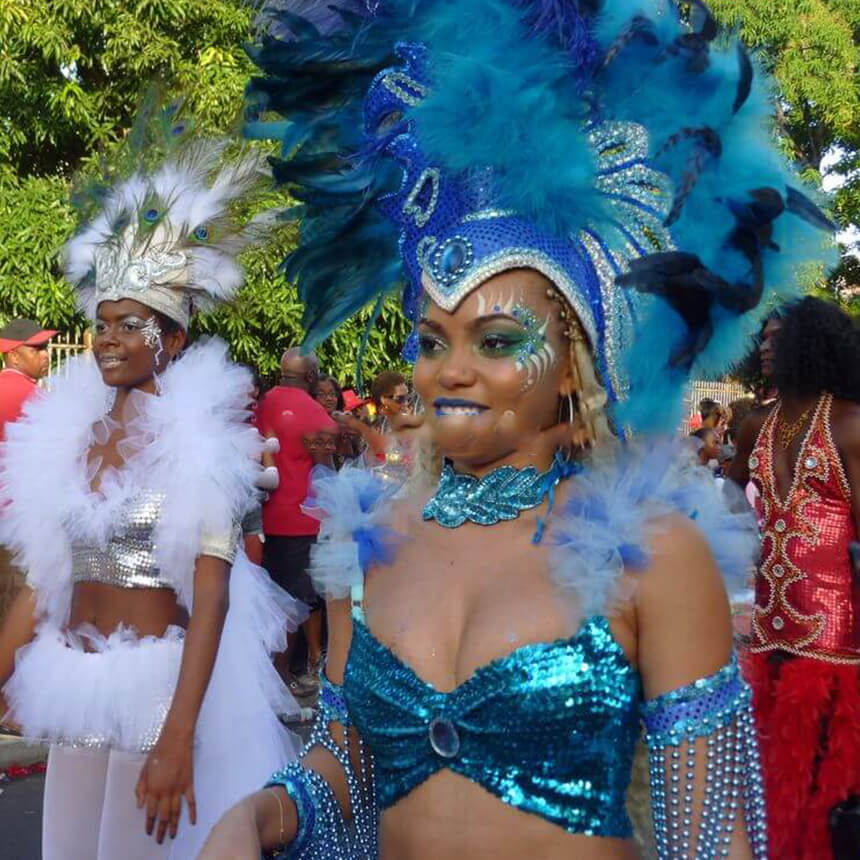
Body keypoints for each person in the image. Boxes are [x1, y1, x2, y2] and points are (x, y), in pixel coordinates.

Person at [202, 1, 834, 857]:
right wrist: (255, 816)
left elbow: (711, 835)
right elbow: (346, 762)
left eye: (497, 341)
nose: (448, 371)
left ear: (578, 357)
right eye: (431, 342)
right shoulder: (371, 538)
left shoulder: (647, 549)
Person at [0, 115, 304, 859]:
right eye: (101, 324)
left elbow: (213, 601)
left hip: (160, 703)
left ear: (170, 340)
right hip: (74, 691)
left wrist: (176, 739)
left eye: (127, 325)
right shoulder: (67, 434)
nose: (106, 339)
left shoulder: (204, 443)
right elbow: (44, 580)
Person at [743, 296, 860, 859]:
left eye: (778, 335)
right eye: (762, 336)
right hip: (768, 644)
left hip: (838, 654)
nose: (765, 345)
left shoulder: (849, 424)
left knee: (832, 808)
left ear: (812, 343)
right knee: (773, 797)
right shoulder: (754, 430)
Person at [257, 348, 338, 692]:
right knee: (295, 604)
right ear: (310, 377)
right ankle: (284, 677)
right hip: (301, 521)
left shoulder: (260, 405)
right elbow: (330, 469)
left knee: (267, 602)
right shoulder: (318, 414)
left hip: (259, 519)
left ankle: (271, 676)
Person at [0, 319, 56, 624]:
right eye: (36, 348)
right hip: (19, 526)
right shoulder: (35, 398)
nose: (45, 354)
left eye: (45, 347)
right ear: (13, 355)